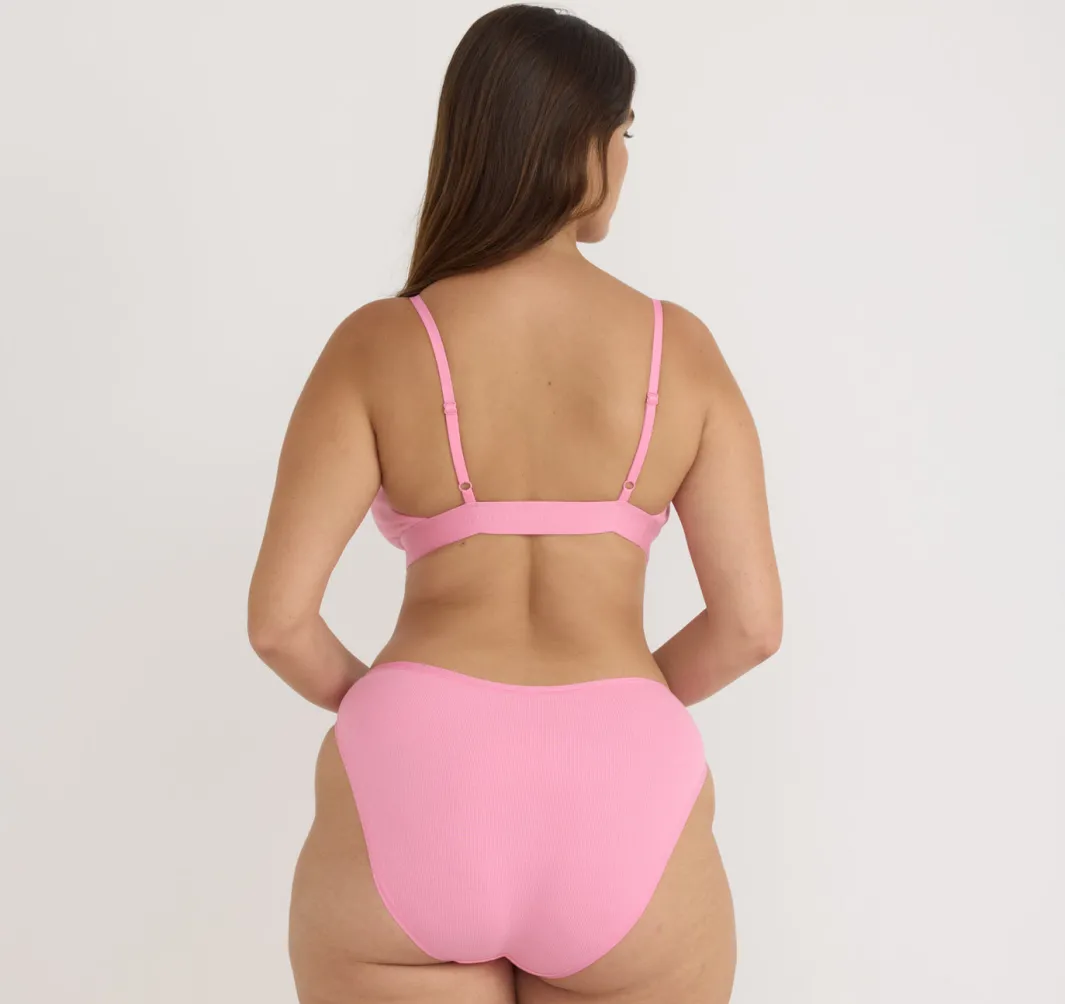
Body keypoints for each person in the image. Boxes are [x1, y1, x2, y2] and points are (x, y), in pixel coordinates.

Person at [248, 5, 782, 1002]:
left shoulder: (377, 343)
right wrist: (622, 700)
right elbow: (751, 625)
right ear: (581, 145)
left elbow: (278, 622)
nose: (626, 159)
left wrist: (389, 707)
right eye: (624, 133)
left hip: (417, 768)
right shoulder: (681, 349)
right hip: (623, 774)